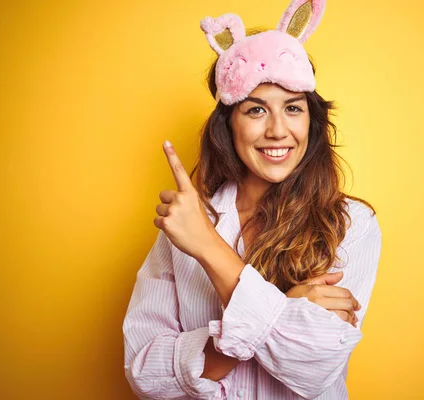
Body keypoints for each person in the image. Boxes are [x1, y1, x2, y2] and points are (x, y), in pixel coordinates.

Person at [122, 0, 382, 398]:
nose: (278, 130)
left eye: (292, 108)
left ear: (311, 123)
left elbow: (314, 369)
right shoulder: (189, 222)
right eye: (256, 109)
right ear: (229, 126)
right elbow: (144, 374)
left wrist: (209, 247)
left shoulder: (352, 224)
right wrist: (284, 311)